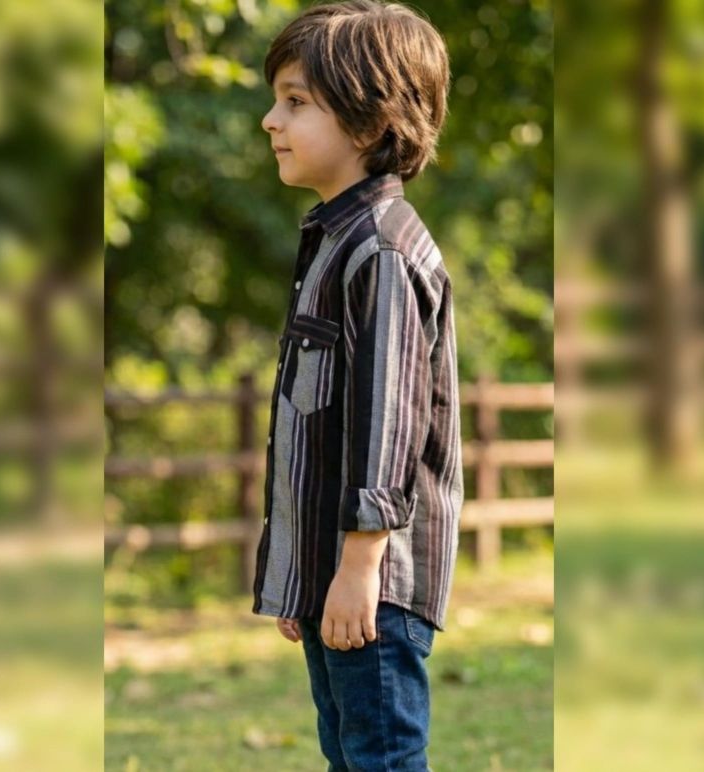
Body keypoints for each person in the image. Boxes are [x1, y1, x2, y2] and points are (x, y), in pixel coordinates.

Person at [251, 2, 463, 769]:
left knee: (381, 759)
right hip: (336, 573)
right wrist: (304, 577)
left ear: (371, 123)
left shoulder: (381, 251)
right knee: (348, 755)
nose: (271, 120)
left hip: (375, 578)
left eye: (296, 102)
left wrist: (357, 568)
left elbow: (387, 424)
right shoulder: (334, 240)